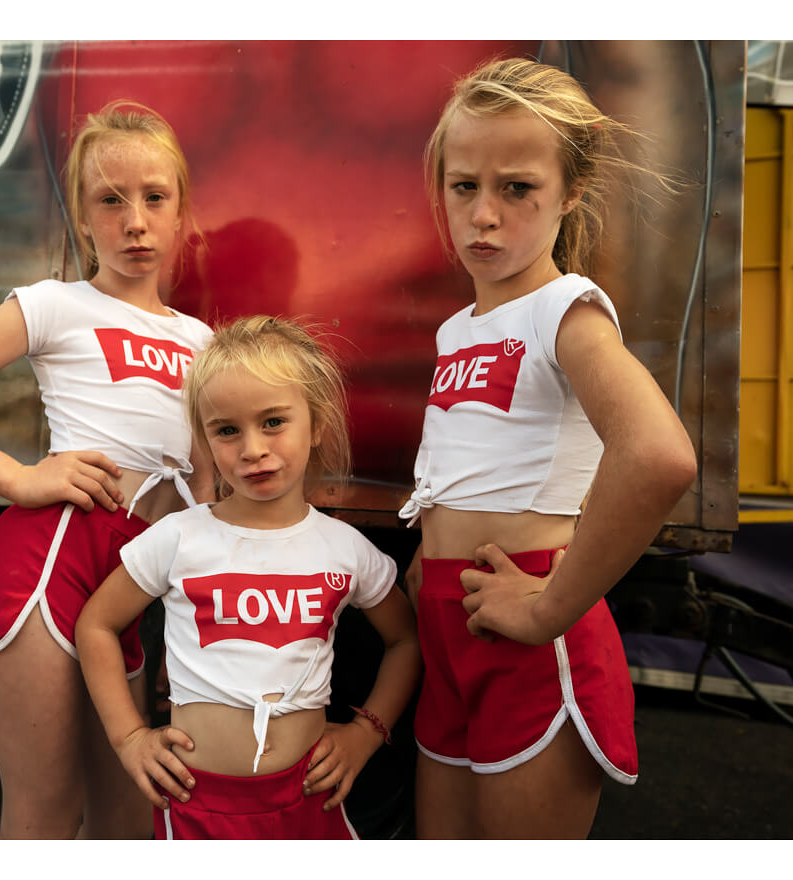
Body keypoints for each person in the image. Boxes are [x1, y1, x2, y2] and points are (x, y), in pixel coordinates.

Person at [0, 100, 215, 839]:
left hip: (130, 585)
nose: (135, 220)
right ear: (82, 218)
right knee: (46, 816)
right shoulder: (55, 304)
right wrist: (20, 479)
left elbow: (207, 490)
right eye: (110, 200)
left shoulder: (203, 340)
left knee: (130, 820)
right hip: (45, 569)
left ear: (183, 211)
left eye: (155, 198)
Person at [400, 58, 698, 839]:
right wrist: (421, 561)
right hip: (450, 623)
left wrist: (549, 611)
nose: (484, 215)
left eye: (517, 188)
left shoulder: (565, 310)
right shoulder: (456, 328)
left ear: (571, 191)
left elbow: (659, 455)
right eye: (464, 186)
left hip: (528, 629)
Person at [77, 316, 421, 840]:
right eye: (228, 430)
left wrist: (365, 735)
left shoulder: (345, 548)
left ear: (318, 424)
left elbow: (405, 639)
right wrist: (129, 739)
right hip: (197, 807)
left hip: (310, 804)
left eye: (274, 422)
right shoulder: (178, 537)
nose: (253, 448)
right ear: (206, 439)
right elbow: (96, 624)